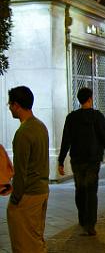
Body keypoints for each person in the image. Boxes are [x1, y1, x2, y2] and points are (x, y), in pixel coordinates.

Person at [59, 87, 105, 236]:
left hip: (77, 159)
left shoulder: (71, 118)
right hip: (93, 159)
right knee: (91, 190)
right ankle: (90, 223)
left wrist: (61, 160)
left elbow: (66, 140)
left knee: (80, 189)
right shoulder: (97, 116)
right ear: (90, 99)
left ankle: (82, 218)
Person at [7, 86, 49, 252]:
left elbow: (20, 170)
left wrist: (15, 198)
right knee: (35, 238)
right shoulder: (40, 126)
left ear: (17, 105)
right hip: (42, 190)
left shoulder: (23, 133)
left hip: (28, 193)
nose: (9, 108)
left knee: (23, 243)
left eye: (10, 104)